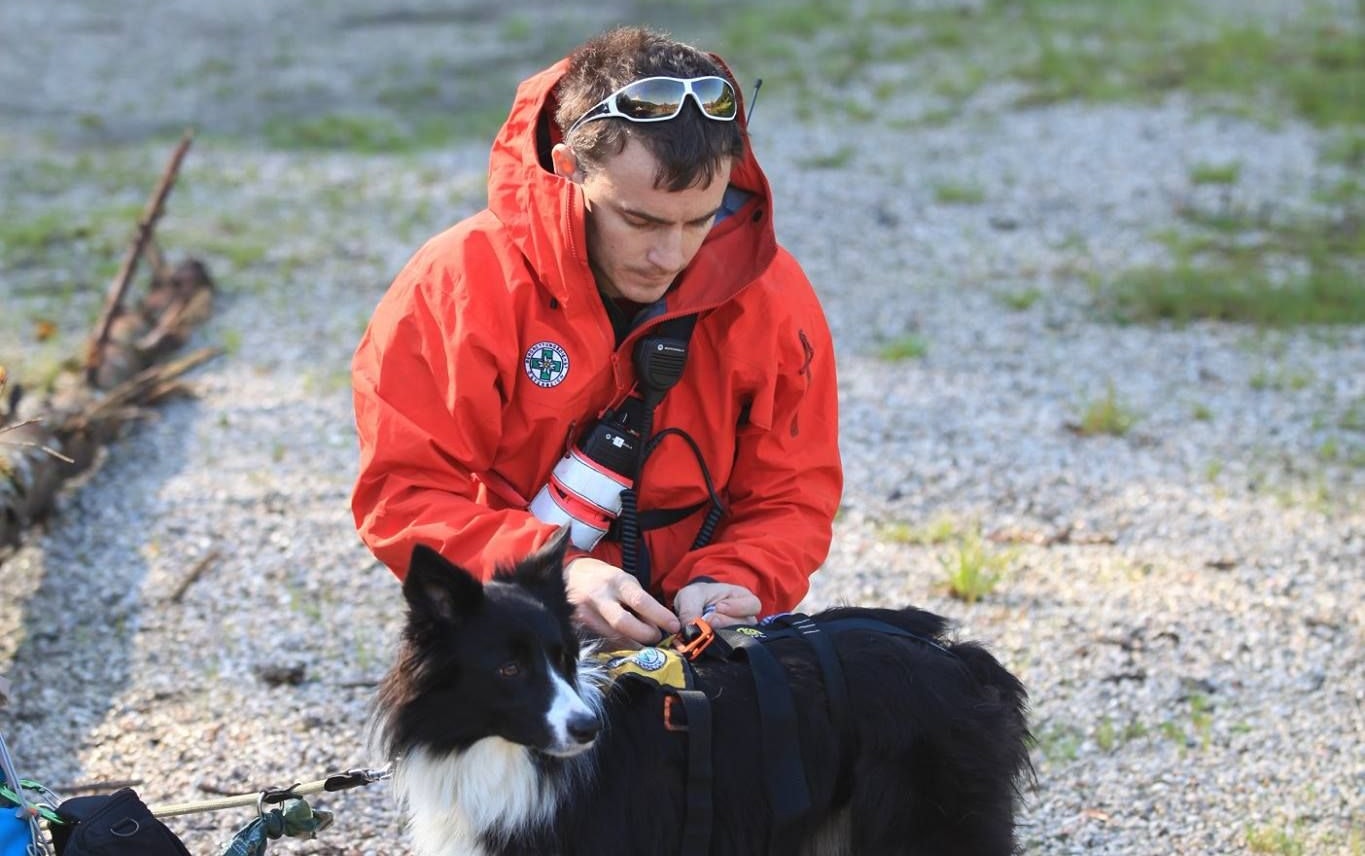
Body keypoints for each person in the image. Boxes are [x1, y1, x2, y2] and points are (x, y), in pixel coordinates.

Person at [351, 26, 842, 646]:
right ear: (568, 169)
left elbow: (793, 493)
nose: (670, 256)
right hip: (519, 619)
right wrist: (549, 576)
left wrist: (737, 576)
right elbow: (404, 495)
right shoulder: (458, 284)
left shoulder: (769, 291)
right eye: (639, 220)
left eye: (701, 219)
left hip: (694, 624)